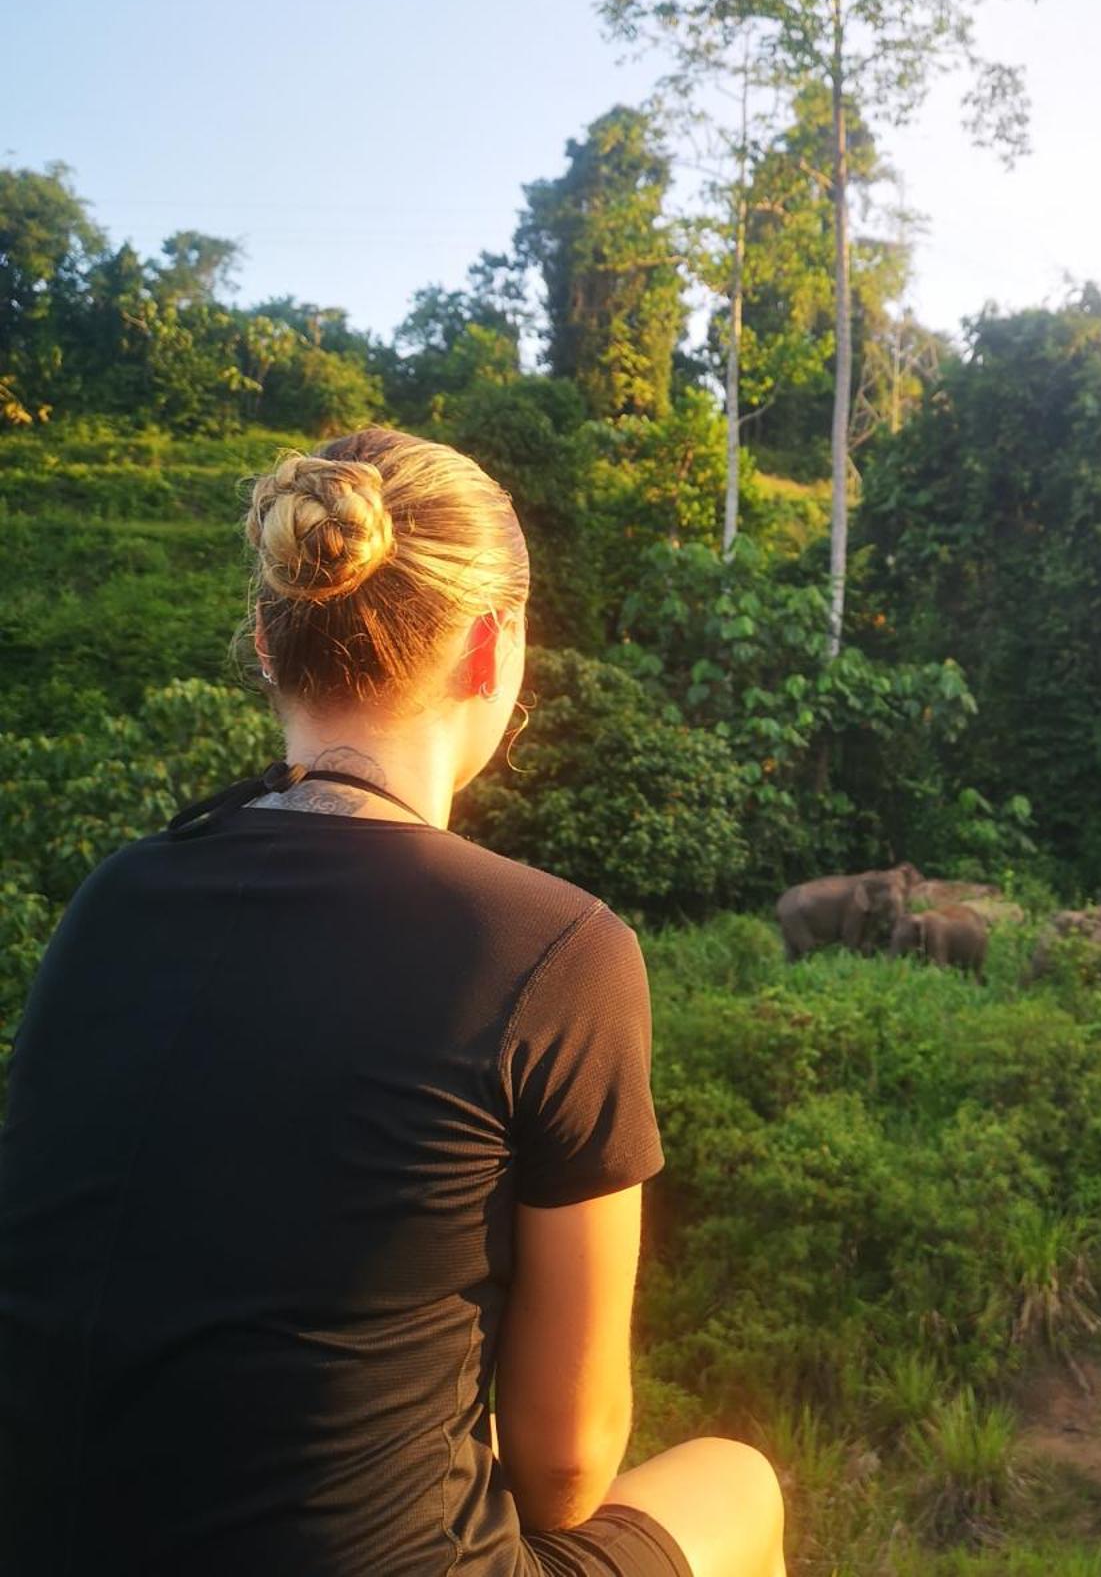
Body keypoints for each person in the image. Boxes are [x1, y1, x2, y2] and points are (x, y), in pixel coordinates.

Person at [0, 426, 786, 1577]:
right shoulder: (559, 950)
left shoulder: (112, 893)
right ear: (488, 649)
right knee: (737, 1478)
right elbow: (566, 1468)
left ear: (269, 643)